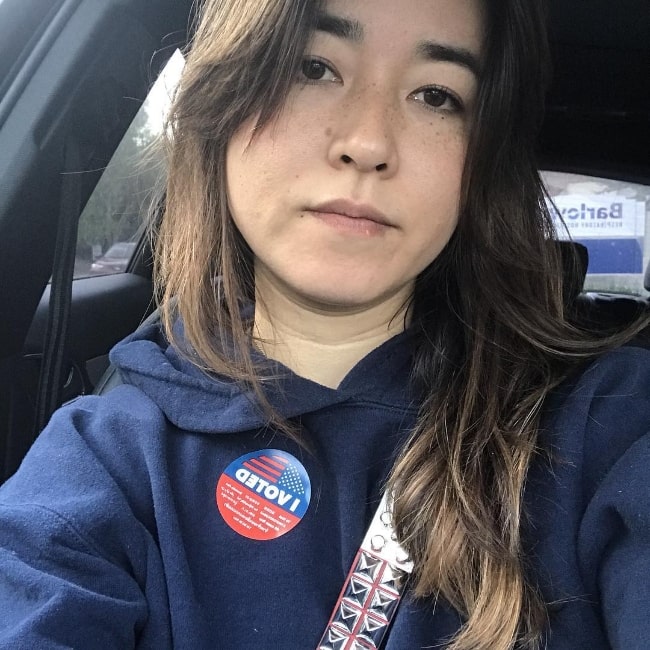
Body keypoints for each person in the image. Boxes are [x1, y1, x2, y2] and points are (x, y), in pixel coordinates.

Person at [0, 0, 649, 648]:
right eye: (313, 67)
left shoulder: (608, 424)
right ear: (223, 99)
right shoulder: (103, 460)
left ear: (478, 166)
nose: (367, 143)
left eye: (435, 94)